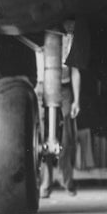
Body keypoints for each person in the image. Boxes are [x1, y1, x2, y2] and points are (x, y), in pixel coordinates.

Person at [35, 19, 84, 198]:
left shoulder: (69, 39)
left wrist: (76, 100)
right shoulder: (38, 33)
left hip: (64, 88)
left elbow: (75, 69)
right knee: (41, 135)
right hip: (42, 87)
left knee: (67, 138)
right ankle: (46, 183)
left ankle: (67, 180)